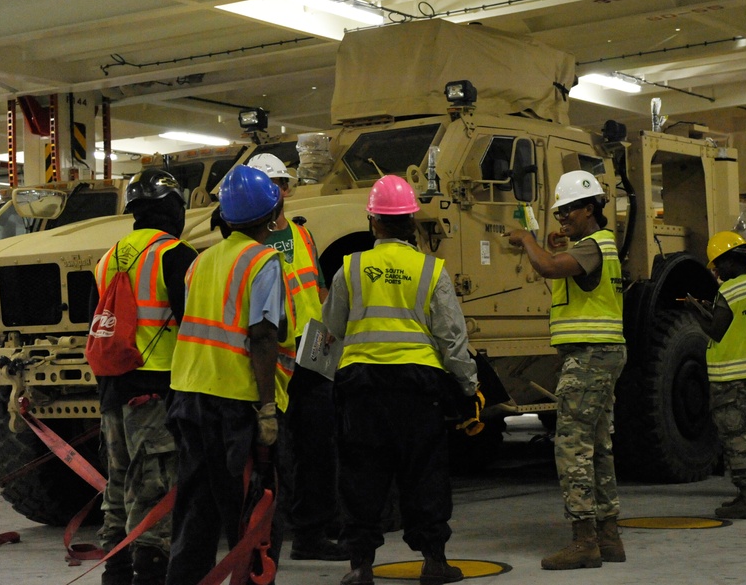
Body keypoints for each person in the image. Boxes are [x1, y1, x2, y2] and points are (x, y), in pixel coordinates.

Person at [321, 175, 478, 585]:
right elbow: (452, 337)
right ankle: (434, 561)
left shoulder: (349, 268)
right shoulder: (431, 270)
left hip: (362, 390)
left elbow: (331, 327)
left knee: (360, 477)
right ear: (412, 221)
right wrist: (468, 385)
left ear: (373, 221)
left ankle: (360, 567)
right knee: (424, 475)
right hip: (418, 390)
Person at [165, 165, 285, 585]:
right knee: (249, 507)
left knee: (195, 505)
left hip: (187, 394)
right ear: (273, 215)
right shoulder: (263, 261)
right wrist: (267, 409)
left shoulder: (200, 261)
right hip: (233, 402)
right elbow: (264, 336)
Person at [507, 170, 627, 571]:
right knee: (597, 446)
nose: (562, 219)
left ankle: (584, 542)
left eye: (567, 212)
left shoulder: (594, 246)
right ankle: (609, 538)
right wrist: (557, 243)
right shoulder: (599, 245)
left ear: (589, 208)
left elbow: (549, 267)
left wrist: (528, 240)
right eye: (558, 213)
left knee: (572, 445)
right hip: (601, 353)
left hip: (591, 355)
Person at [93, 169, 197, 585]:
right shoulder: (176, 253)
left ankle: (115, 570)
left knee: (118, 481)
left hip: (113, 386)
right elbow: (193, 321)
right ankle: (149, 573)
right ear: (172, 207)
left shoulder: (107, 257)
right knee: (155, 484)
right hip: (156, 388)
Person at [247, 153, 347, 563]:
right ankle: (262, 539)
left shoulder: (303, 234)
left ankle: (310, 534)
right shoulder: (247, 238)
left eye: (282, 183)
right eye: (271, 184)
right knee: (273, 454)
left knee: (319, 448)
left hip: (311, 353)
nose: (280, 191)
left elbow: (318, 291)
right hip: (273, 359)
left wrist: (331, 349)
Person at [686, 231, 746, 520]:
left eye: (717, 264)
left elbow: (717, 330)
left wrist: (695, 312)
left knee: (737, 436)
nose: (715, 271)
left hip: (732, 373)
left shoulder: (730, 291)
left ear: (730, 261)